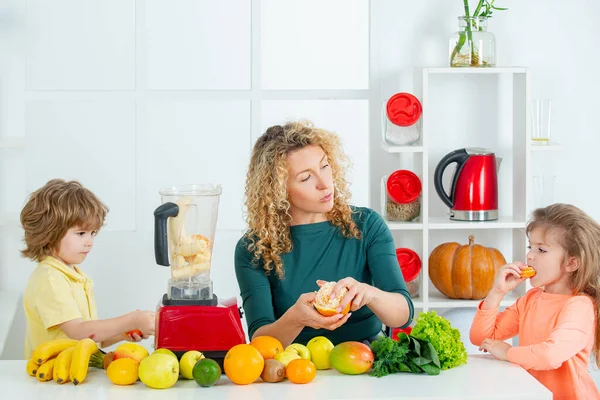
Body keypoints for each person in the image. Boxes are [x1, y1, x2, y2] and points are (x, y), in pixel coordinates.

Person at [235, 121, 413, 347]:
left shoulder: (366, 225)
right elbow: (260, 340)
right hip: (293, 369)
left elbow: (403, 312)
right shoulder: (253, 248)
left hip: (366, 363)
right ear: (279, 191)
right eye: (305, 178)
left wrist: (368, 293)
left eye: (324, 166)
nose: (325, 184)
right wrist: (295, 319)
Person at [470, 204, 600, 400]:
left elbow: (549, 355)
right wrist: (497, 292)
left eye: (542, 250)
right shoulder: (530, 300)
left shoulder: (579, 306)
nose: (530, 255)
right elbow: (482, 338)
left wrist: (508, 353)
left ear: (571, 263)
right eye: (531, 247)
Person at [21, 179, 155, 357]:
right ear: (49, 232)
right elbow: (77, 331)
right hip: (52, 376)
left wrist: (122, 333)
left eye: (93, 233)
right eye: (81, 233)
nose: (89, 242)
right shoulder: (51, 278)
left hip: (72, 373)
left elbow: (88, 338)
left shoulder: (74, 276)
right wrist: (130, 320)